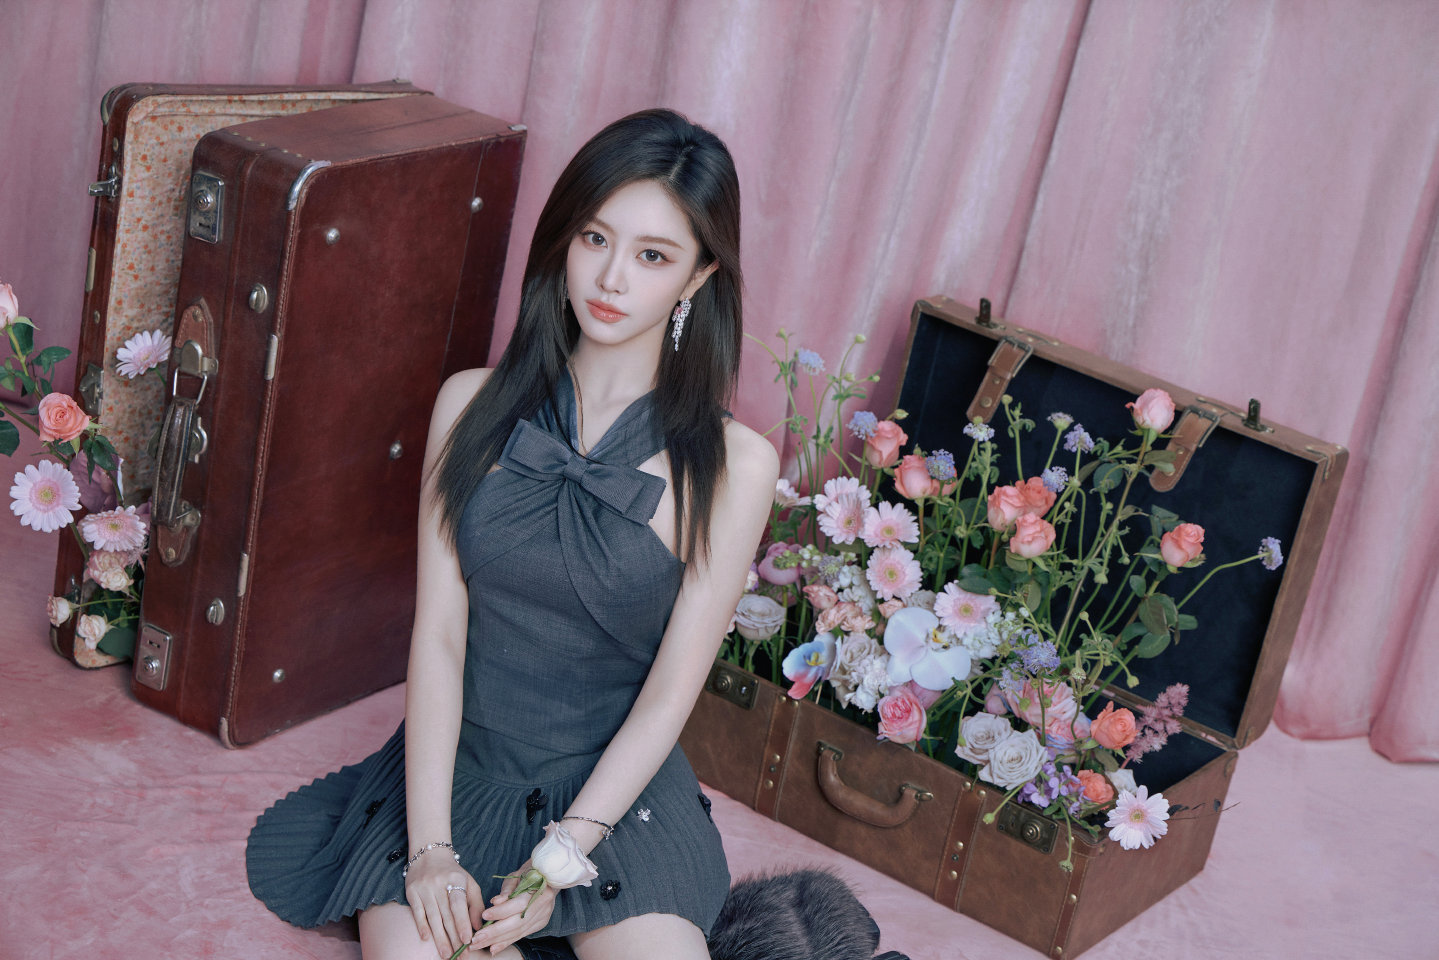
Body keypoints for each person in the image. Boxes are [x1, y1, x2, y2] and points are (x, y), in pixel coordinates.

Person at [246, 108, 779, 960]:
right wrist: (430, 850)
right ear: (564, 238)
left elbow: (668, 696)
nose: (611, 277)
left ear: (698, 276)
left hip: (614, 797)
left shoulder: (736, 465)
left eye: (652, 256)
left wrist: (559, 859)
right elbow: (440, 636)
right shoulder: (468, 405)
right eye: (595, 238)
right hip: (453, 773)